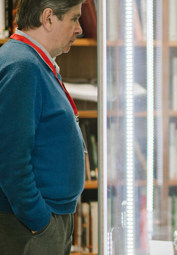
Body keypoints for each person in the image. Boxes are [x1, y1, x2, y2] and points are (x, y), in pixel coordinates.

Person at [0, 0, 86, 254]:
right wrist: (39, 221)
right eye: (74, 18)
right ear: (48, 18)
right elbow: (11, 159)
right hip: (29, 227)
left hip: (39, 221)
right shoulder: (22, 66)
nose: (79, 29)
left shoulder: (32, 60)